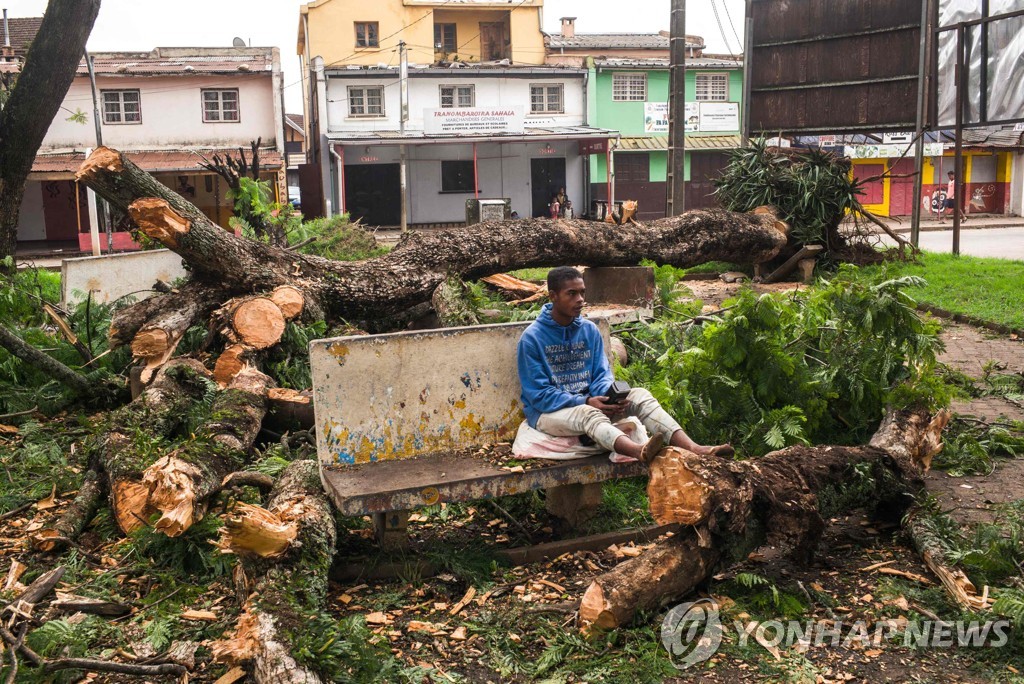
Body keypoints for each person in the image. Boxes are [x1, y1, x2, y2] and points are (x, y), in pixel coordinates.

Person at [516, 266, 734, 462]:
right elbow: (539, 395)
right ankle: (639, 451)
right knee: (588, 414)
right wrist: (586, 401)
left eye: (582, 292)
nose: (580, 299)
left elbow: (601, 374)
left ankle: (694, 448)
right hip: (548, 414)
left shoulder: (589, 330)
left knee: (640, 396)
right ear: (553, 296)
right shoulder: (532, 338)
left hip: (590, 403)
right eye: (571, 294)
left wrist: (610, 398)